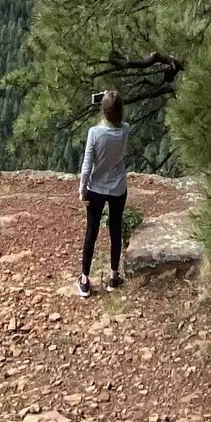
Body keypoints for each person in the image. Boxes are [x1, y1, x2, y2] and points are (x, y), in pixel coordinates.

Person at [77, 89, 129, 296]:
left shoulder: (94, 133)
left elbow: (87, 165)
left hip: (96, 189)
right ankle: (114, 277)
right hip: (118, 188)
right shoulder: (125, 129)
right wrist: (111, 100)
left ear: (103, 111)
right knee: (115, 230)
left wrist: (82, 191)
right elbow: (118, 120)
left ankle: (84, 280)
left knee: (92, 232)